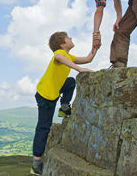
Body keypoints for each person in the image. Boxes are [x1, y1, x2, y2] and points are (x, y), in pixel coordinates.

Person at [31, 31, 97, 175]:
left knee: (70, 82)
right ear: (62, 44)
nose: (71, 38)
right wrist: (79, 69)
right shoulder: (60, 53)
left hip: (54, 91)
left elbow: (87, 59)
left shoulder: (69, 56)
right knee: (43, 127)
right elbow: (59, 57)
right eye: (68, 38)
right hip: (45, 96)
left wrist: (95, 48)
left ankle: (64, 107)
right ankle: (36, 163)